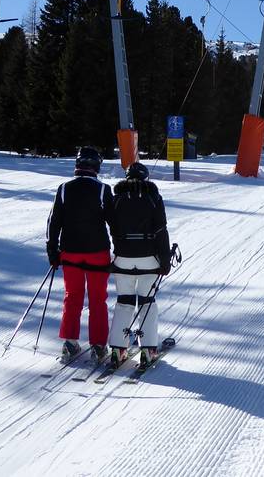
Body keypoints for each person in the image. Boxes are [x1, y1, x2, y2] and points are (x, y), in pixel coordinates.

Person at [46, 146, 114, 362]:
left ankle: (69, 342)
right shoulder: (103, 190)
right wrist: (121, 249)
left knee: (72, 296)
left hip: (70, 252)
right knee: (98, 299)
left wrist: (52, 250)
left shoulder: (64, 189)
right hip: (97, 253)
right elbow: (114, 223)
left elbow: (53, 222)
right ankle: (98, 345)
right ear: (96, 166)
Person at [107, 162, 171, 370]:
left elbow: (112, 228)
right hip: (148, 259)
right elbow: (161, 230)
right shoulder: (154, 198)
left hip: (123, 258)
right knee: (147, 302)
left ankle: (118, 349)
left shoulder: (116, 199)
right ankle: (148, 349)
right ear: (145, 177)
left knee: (124, 302)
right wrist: (165, 260)